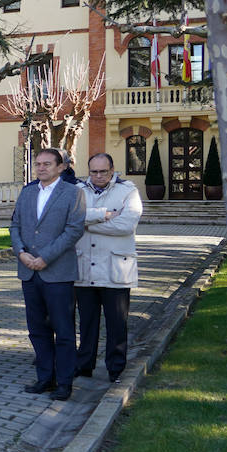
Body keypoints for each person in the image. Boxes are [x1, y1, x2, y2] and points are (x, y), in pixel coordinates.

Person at [10, 147, 86, 400]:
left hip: (57, 272)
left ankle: (64, 382)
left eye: (47, 164)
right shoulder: (27, 191)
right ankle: (45, 378)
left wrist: (45, 257)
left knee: (63, 330)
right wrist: (21, 252)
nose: (41, 168)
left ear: (61, 167)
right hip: (29, 272)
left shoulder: (73, 193)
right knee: (37, 329)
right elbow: (15, 225)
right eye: (38, 164)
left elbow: (73, 231)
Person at [75, 152, 142, 383]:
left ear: (112, 170)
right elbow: (71, 218)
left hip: (116, 269)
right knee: (86, 323)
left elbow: (125, 225)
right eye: (94, 171)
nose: (98, 176)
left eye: (103, 171)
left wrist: (87, 225)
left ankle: (116, 369)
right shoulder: (78, 190)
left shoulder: (128, 191)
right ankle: (84, 365)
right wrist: (103, 216)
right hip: (85, 268)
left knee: (117, 324)